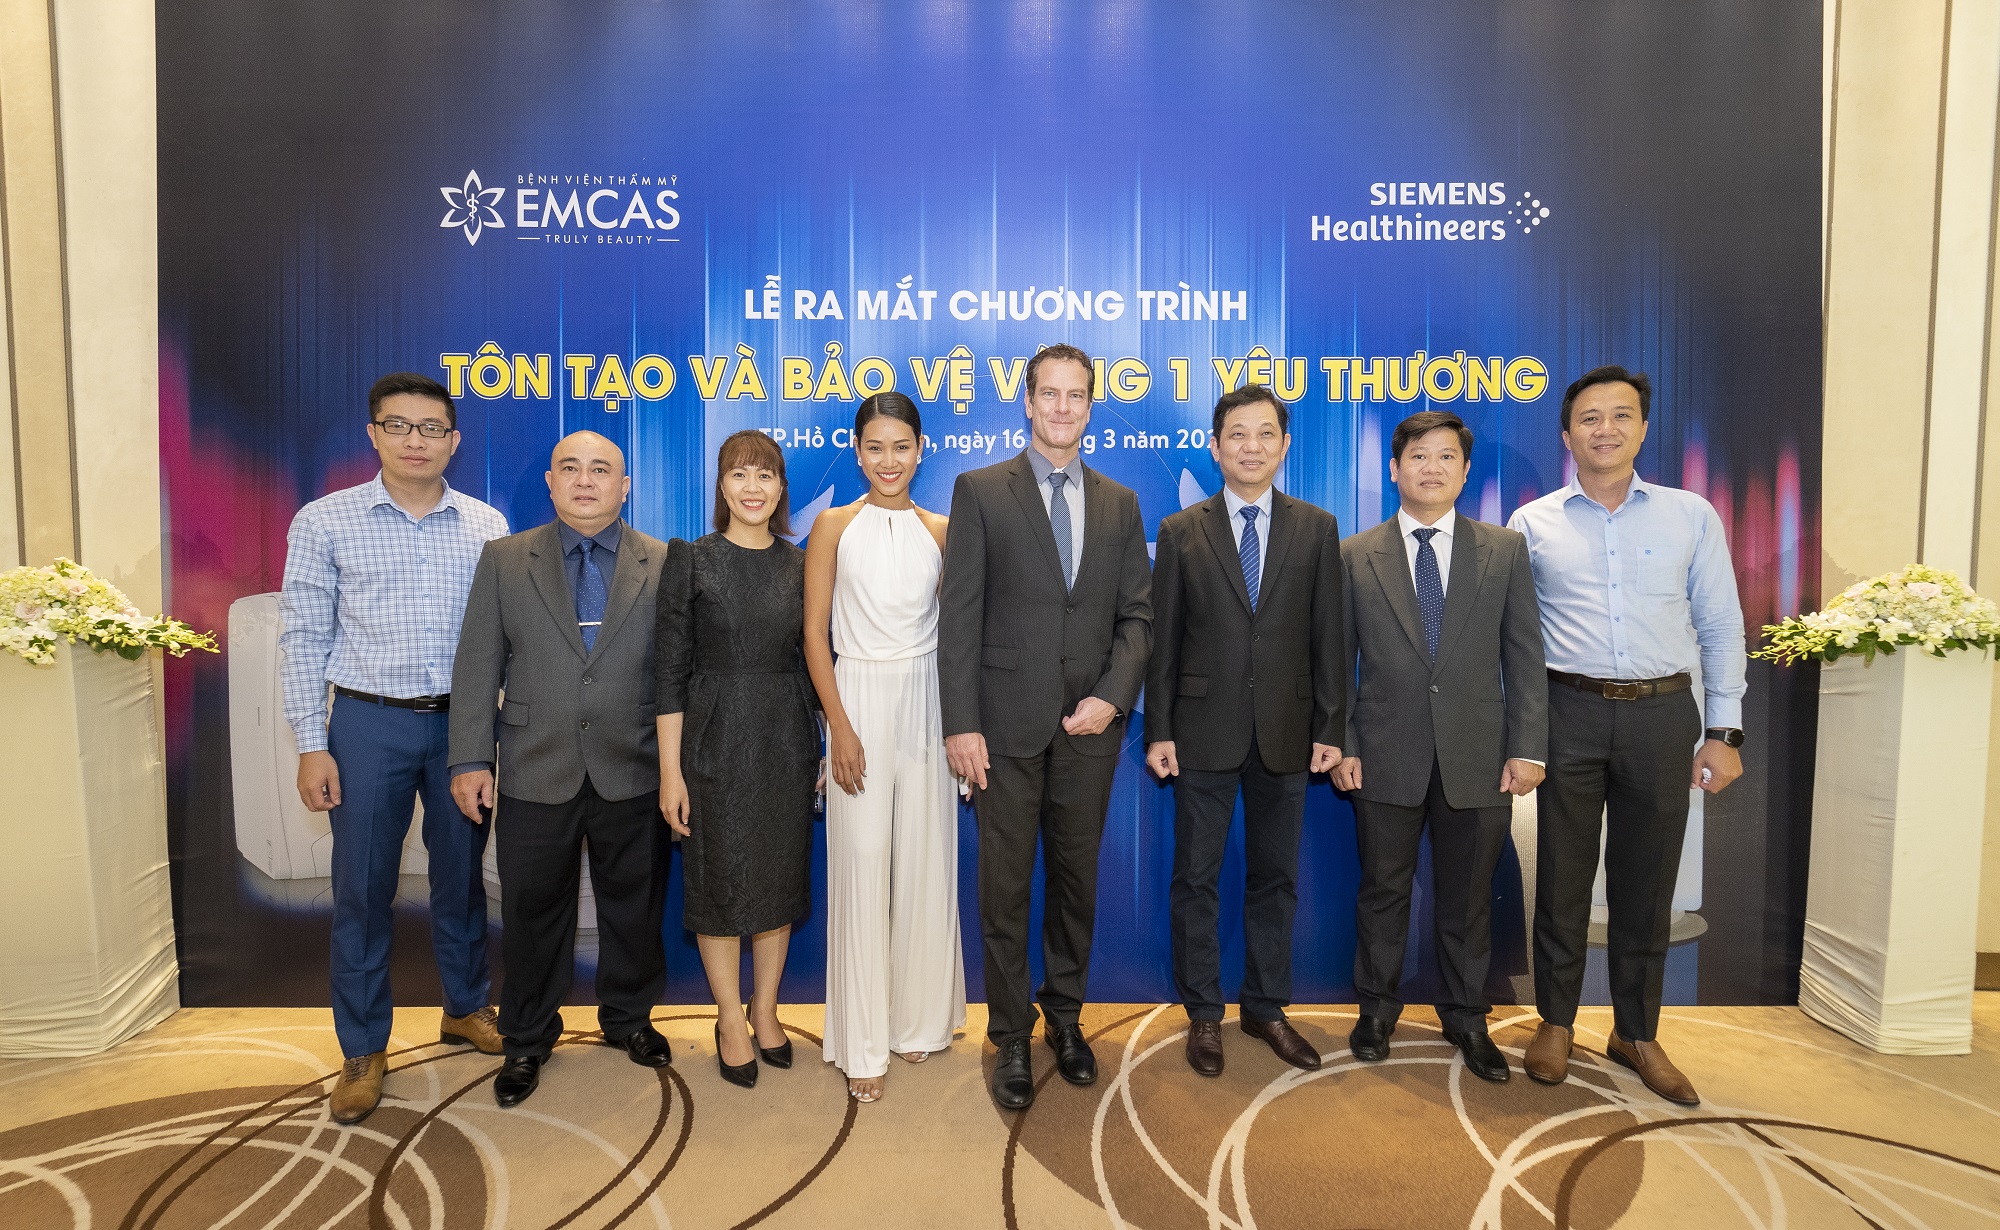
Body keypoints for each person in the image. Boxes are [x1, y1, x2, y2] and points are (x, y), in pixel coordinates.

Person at [1507, 366, 1745, 1107]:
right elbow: (1516, 639)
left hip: (1661, 713)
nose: (1604, 429)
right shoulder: (1532, 523)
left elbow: (1721, 625)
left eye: (1620, 415)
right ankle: (1555, 1021)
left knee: (1648, 882)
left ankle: (1636, 1032)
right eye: (1588, 418)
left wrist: (1724, 730)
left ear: (1643, 428)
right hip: (1566, 709)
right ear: (1566, 434)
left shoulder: (1689, 515)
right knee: (1562, 878)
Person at [279, 372, 509, 1126]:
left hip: (461, 730)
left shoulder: (486, 524)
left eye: (431, 428)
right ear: (373, 433)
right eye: (399, 426)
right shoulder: (325, 520)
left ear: (454, 440)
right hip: (365, 724)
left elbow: (501, 638)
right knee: (363, 888)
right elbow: (303, 635)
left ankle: (466, 1006)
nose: (416, 441)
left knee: (461, 879)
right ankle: (362, 1046)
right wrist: (311, 742)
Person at [939, 343, 1153, 1111]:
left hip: (1089, 731)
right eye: (1049, 394)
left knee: (1075, 882)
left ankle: (1065, 1018)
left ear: (1092, 406)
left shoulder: (1121, 503)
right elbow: (959, 617)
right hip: (1000, 729)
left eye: (1076, 395)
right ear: (1027, 403)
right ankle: (1009, 1034)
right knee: (1004, 890)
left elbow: (1138, 617)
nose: (1063, 408)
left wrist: (1113, 698)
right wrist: (960, 724)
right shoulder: (980, 491)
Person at [449, 430, 674, 1109]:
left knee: (633, 908)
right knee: (531, 912)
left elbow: (677, 672)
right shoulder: (505, 559)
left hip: (634, 763)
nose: (585, 480)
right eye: (570, 468)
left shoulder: (663, 561)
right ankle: (526, 1037)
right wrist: (470, 757)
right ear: (550, 482)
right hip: (532, 763)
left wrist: (679, 765)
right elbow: (477, 663)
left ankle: (629, 1019)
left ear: (624, 486)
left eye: (601, 469)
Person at [1335, 410, 1547, 1083]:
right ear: (1394, 468)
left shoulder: (1503, 551)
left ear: (1465, 469)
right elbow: (1337, 663)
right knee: (1382, 892)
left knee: (1468, 898)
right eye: (1419, 455)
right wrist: (1342, 742)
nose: (1432, 467)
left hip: (1479, 753)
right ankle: (1376, 1010)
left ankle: (1466, 1015)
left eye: (1446, 456)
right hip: (1382, 751)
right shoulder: (1355, 554)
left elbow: (1524, 655)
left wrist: (1529, 746)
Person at [1145, 384, 1345, 1077]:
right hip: (1201, 729)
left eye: (1265, 434)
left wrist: (1331, 725)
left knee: (1276, 878)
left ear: (1284, 446)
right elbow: (1164, 641)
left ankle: (1265, 1006)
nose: (1251, 447)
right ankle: (1204, 1012)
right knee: (1195, 878)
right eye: (1237, 434)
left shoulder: (1317, 528)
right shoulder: (1182, 530)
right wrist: (1159, 729)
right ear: (1215, 446)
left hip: (1288, 730)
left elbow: (1329, 636)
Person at [804, 393, 967, 1103]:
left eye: (901, 446)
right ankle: (862, 1041)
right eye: (875, 447)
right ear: (857, 450)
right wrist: (837, 727)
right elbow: (813, 634)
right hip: (857, 699)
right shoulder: (833, 526)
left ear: (921, 450)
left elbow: (957, 633)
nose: (889, 460)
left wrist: (960, 725)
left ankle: (916, 1022)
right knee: (862, 868)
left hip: (928, 702)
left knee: (926, 865)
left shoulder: (942, 531)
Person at [655, 430, 820, 1090]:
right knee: (720, 883)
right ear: (721, 485)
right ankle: (729, 1018)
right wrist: (670, 772)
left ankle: (766, 1009)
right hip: (712, 739)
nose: (753, 487)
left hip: (786, 737)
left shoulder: (802, 563)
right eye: (740, 474)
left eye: (766, 475)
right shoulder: (691, 559)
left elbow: (815, 660)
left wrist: (822, 743)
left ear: (781, 488)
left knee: (777, 877)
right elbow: (669, 672)